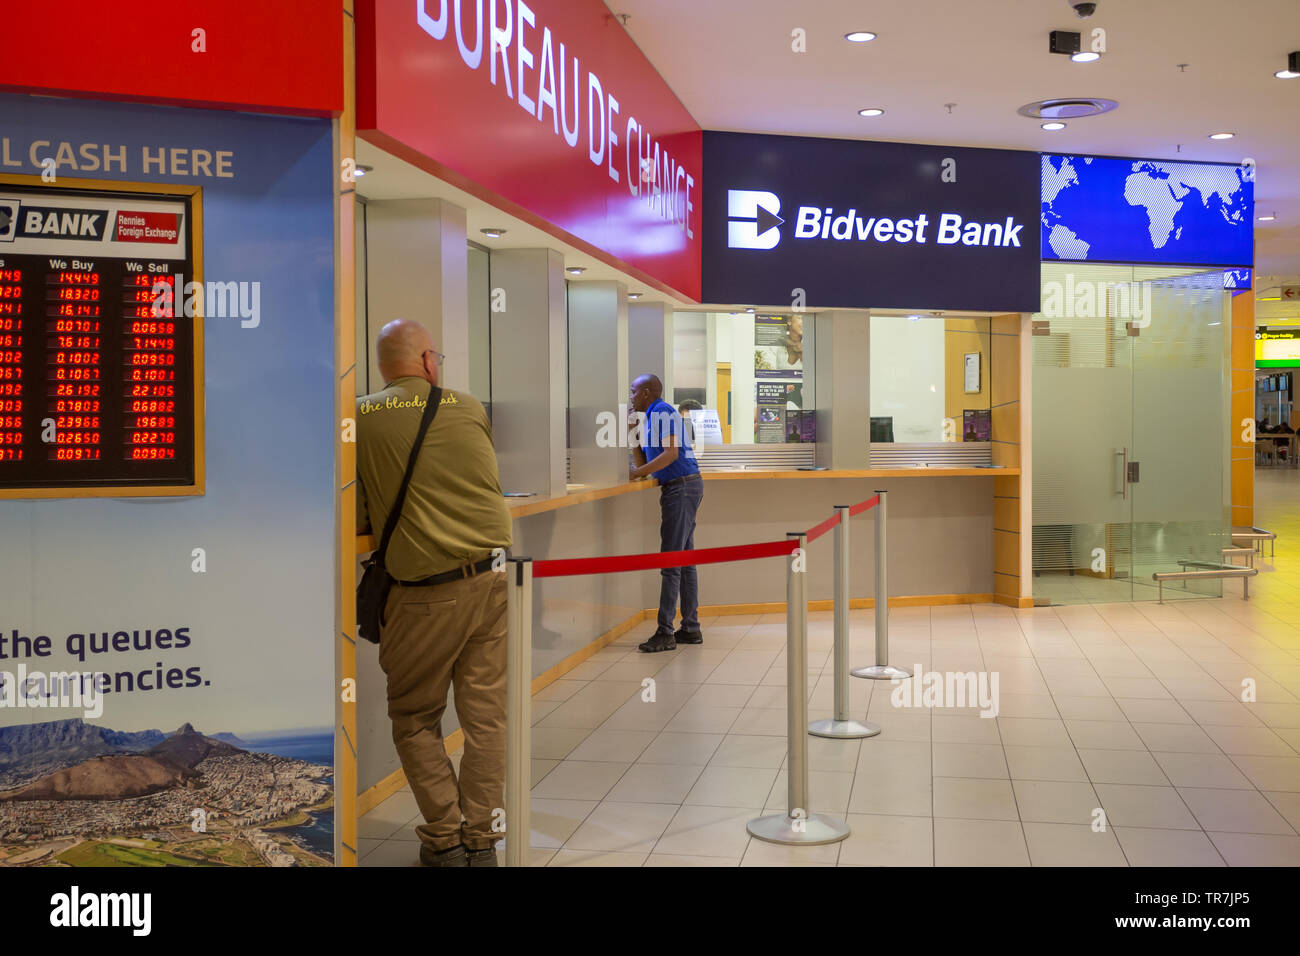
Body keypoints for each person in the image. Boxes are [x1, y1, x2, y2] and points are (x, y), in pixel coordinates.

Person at [356, 318, 512, 868]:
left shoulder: (365, 413)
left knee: (417, 717)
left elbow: (358, 510)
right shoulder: (468, 406)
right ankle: (483, 841)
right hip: (495, 582)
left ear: (384, 368)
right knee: (486, 718)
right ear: (427, 361)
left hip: (425, 592)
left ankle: (445, 839)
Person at [630, 374, 704, 652]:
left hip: (681, 489)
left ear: (648, 392)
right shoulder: (651, 417)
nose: (631, 396)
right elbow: (645, 462)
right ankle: (690, 628)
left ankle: (665, 632)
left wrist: (637, 472)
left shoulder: (662, 411)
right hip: (682, 488)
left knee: (672, 562)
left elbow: (671, 454)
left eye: (634, 391)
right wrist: (631, 431)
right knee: (684, 560)